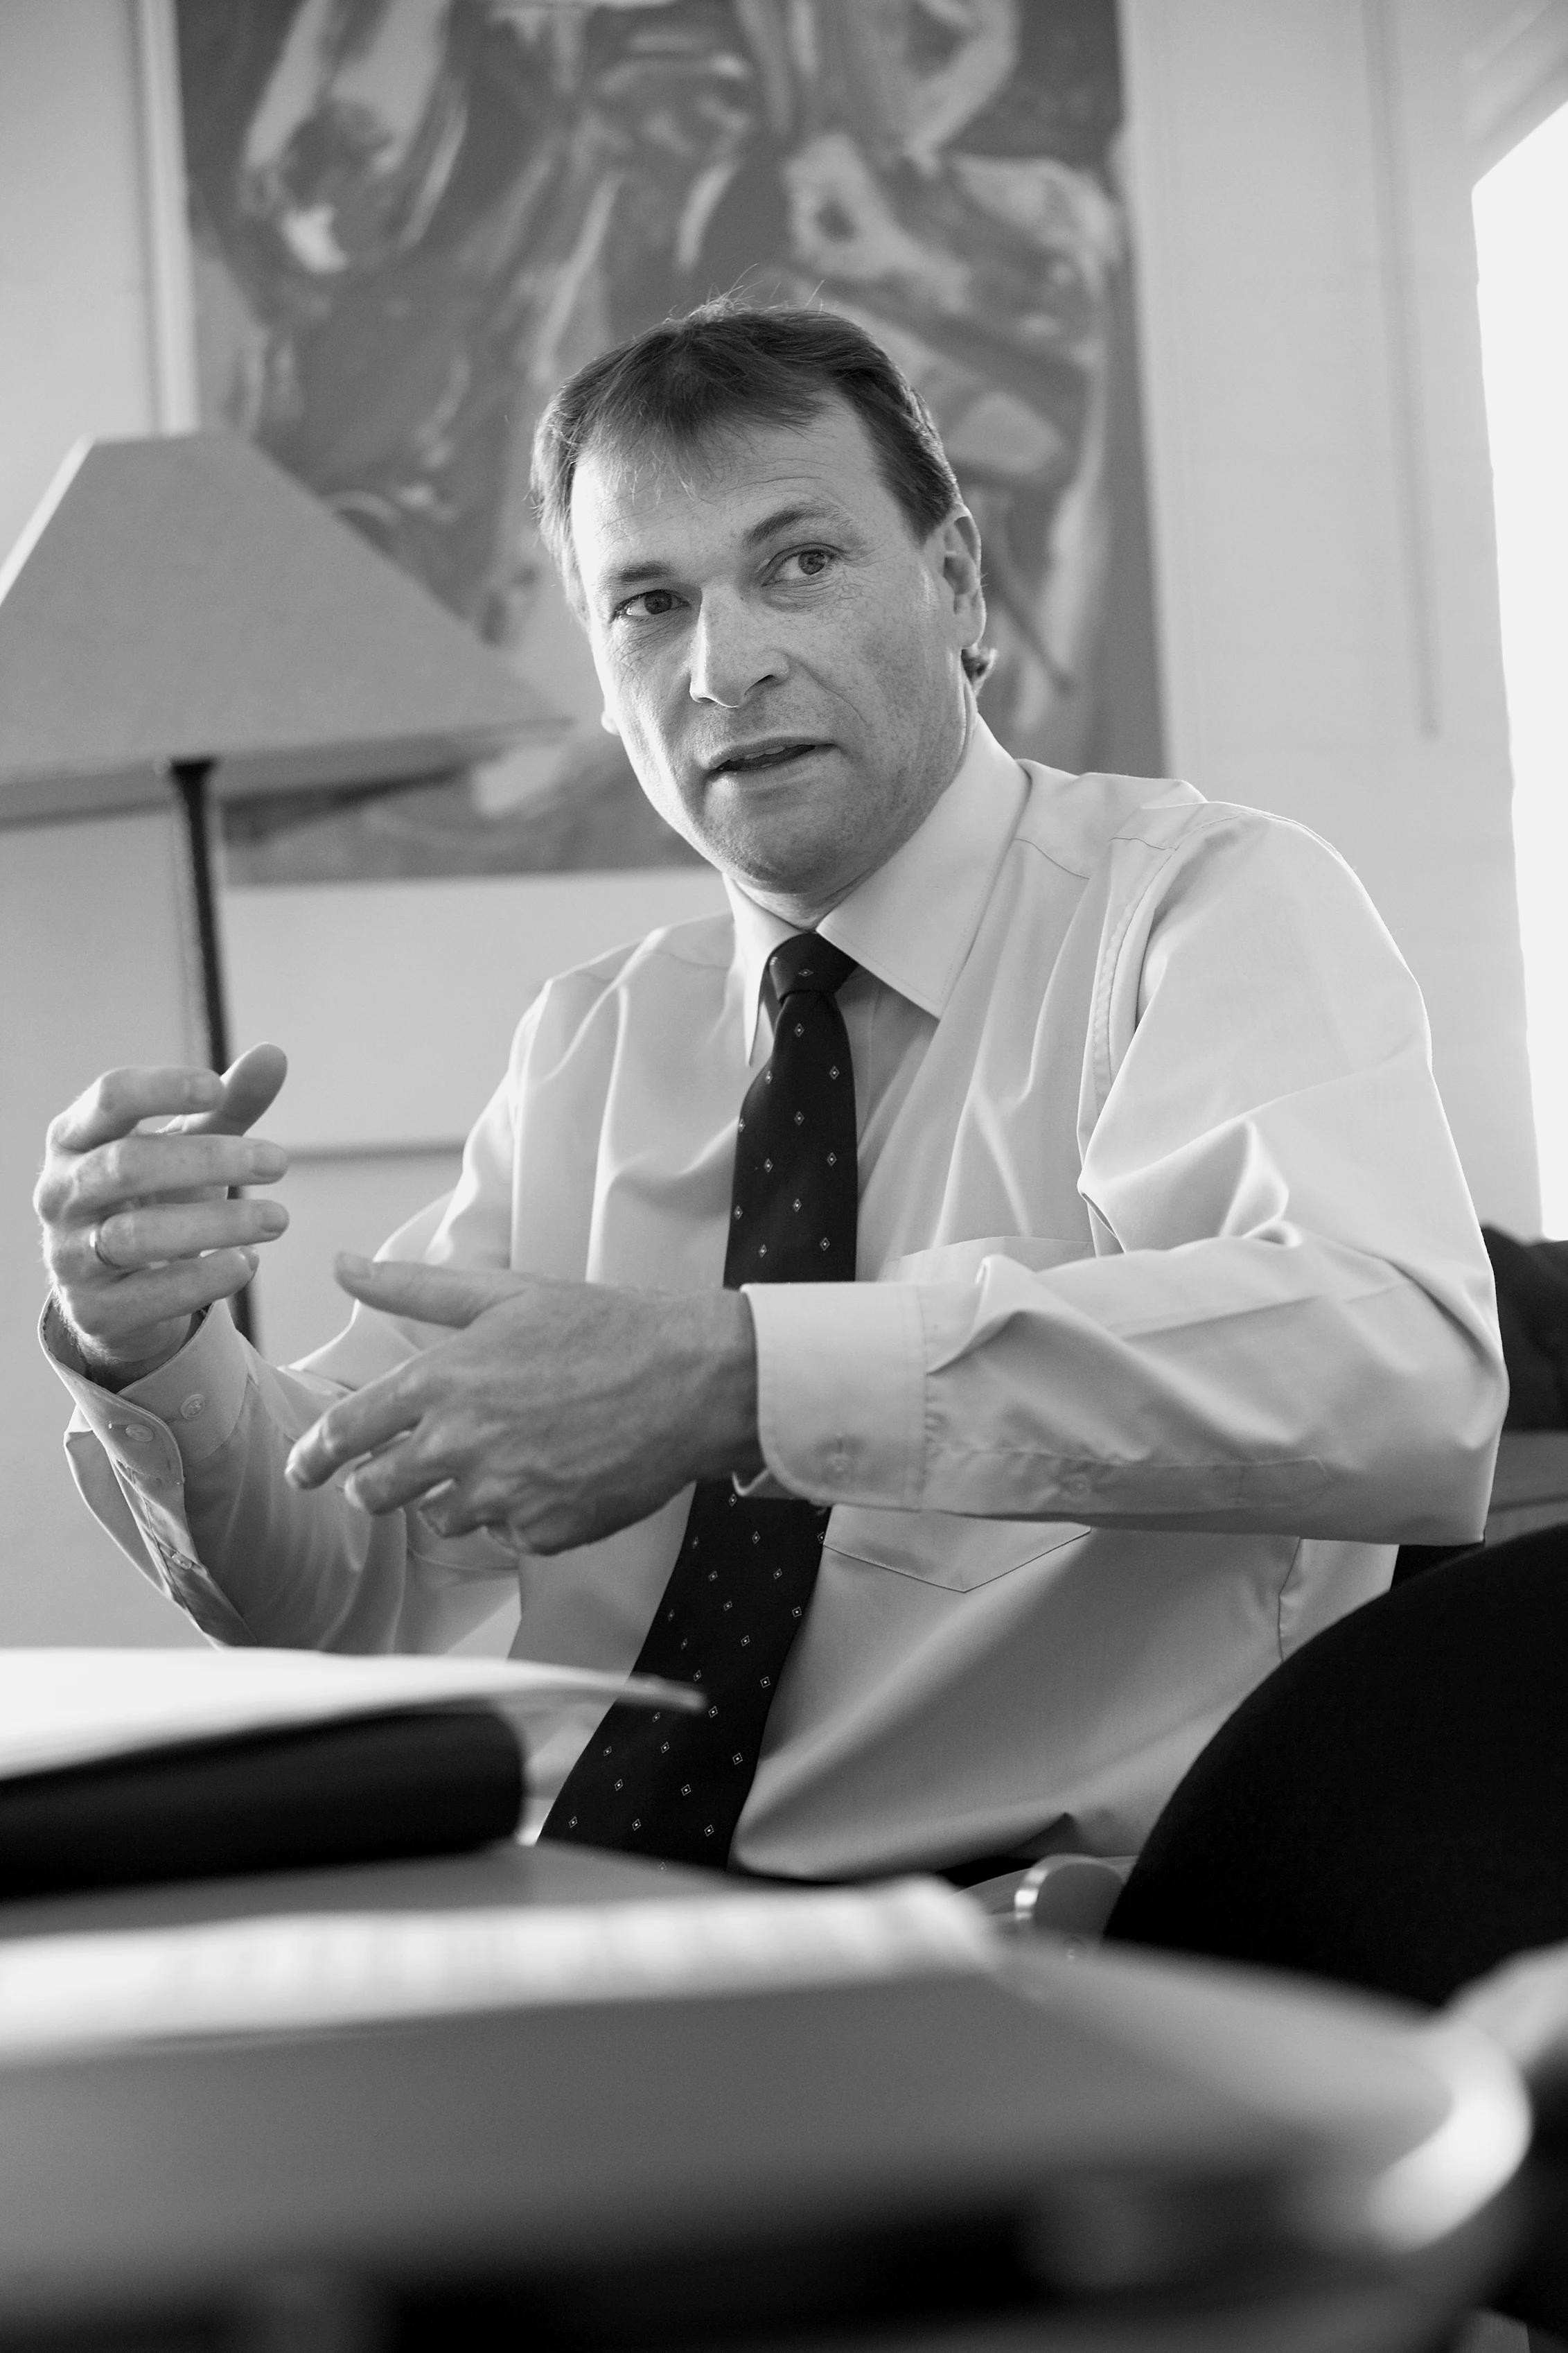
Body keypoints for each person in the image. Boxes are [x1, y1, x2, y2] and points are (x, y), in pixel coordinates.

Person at [34, 304, 1504, 1884]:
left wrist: (740, 1374)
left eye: (800, 561)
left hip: (1031, 1938)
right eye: (649, 605)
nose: (726, 665)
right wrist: (155, 1344)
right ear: (606, 686)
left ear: (956, 581)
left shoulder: (1204, 908)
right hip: (590, 1914)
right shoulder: (590, 1042)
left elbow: (1402, 1373)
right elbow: (341, 1586)